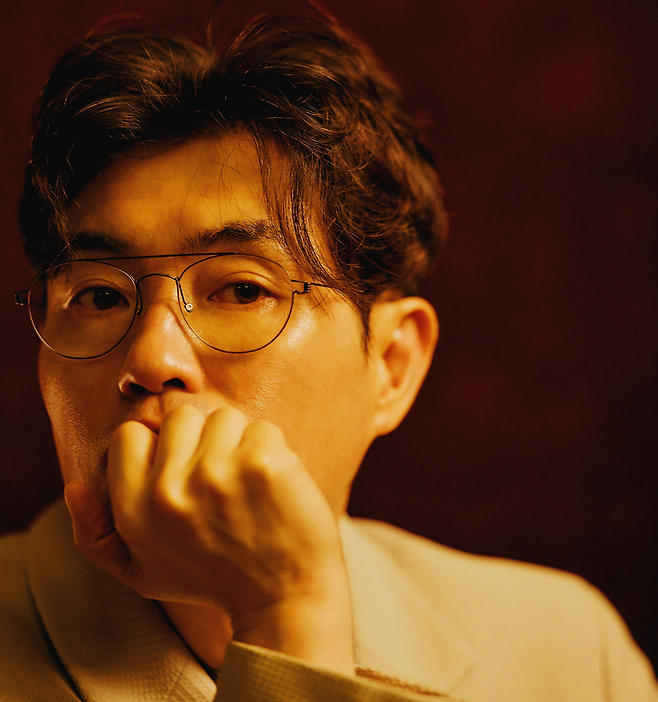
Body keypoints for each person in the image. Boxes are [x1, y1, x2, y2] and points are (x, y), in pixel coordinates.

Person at [1, 11, 656, 702]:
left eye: (243, 289)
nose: (153, 357)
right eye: (100, 296)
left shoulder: (569, 650)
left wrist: (289, 605)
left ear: (392, 366)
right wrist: (287, 613)